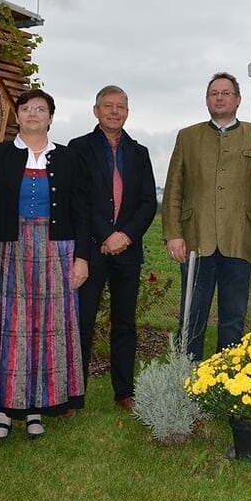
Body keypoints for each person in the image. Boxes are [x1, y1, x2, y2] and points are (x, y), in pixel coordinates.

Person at [0, 89, 90, 441]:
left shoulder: (69, 159)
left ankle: (36, 408)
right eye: (27, 109)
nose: (33, 114)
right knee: (11, 328)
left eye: (41, 109)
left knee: (46, 330)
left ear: (51, 117)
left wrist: (82, 256)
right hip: (11, 249)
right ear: (17, 116)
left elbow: (83, 210)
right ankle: (5, 410)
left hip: (57, 250)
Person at [162, 72, 251, 362]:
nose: (220, 97)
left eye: (226, 93)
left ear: (238, 99)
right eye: (214, 93)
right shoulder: (188, 137)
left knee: (233, 319)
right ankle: (186, 377)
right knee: (191, 316)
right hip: (195, 240)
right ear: (206, 100)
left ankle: (225, 384)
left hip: (241, 240)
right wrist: (173, 233)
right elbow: (174, 188)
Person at [68, 85, 157, 413]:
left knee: (125, 323)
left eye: (120, 107)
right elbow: (78, 199)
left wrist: (125, 236)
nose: (114, 111)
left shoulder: (139, 152)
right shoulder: (79, 148)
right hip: (91, 250)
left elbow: (149, 202)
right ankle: (74, 394)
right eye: (108, 106)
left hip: (128, 252)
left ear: (127, 112)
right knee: (83, 321)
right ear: (96, 110)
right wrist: (107, 235)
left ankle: (124, 391)